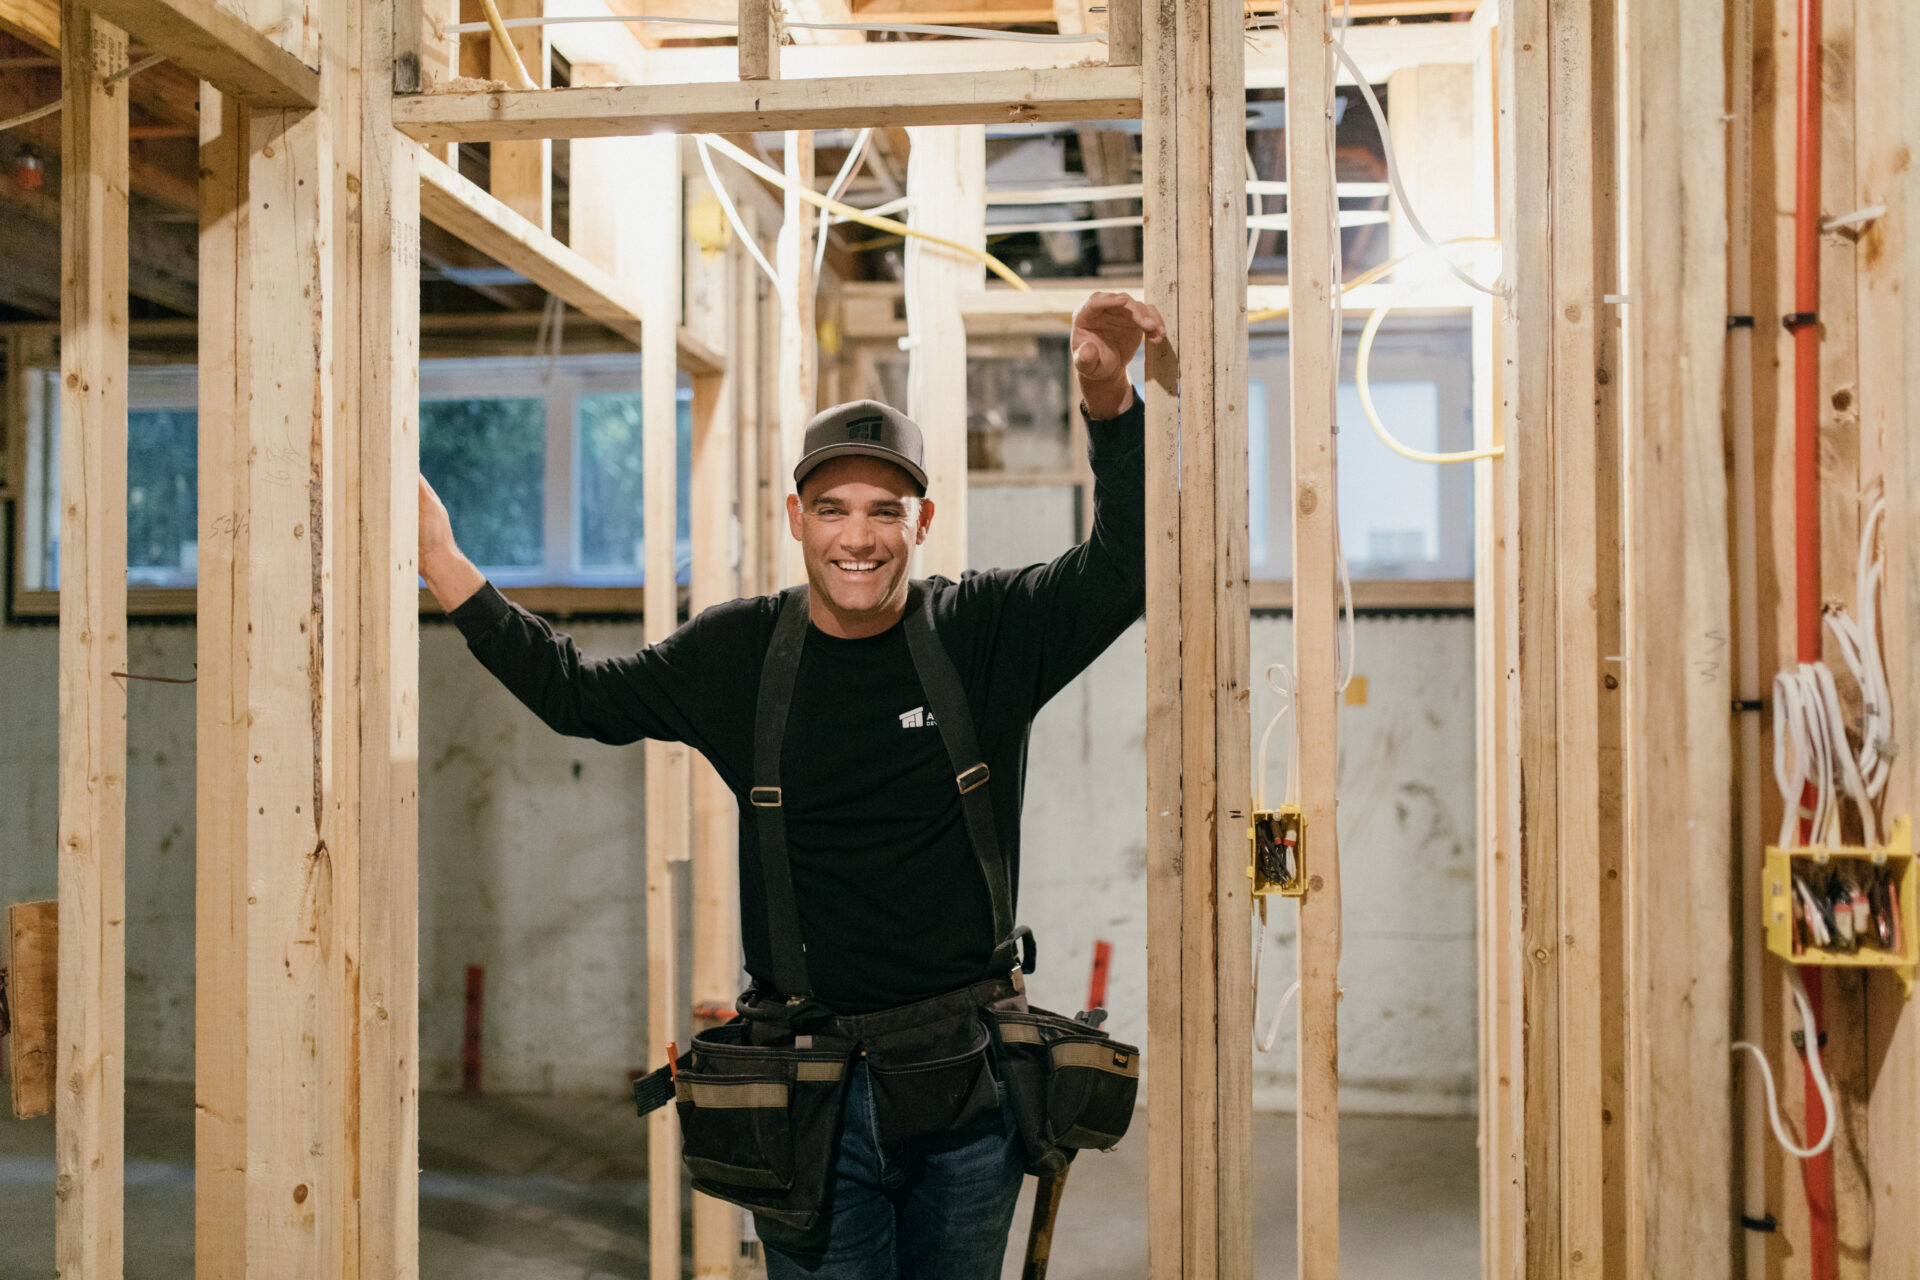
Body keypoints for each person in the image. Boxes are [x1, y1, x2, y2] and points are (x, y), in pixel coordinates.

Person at [419, 291, 1166, 1279]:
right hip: (807, 1093)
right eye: (834, 508)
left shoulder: (982, 635)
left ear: (922, 520)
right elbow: (577, 696)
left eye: (884, 510)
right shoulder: (737, 656)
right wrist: (445, 566)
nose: (858, 537)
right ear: (796, 518)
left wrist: (1108, 398)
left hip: (964, 1087)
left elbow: (1124, 566)